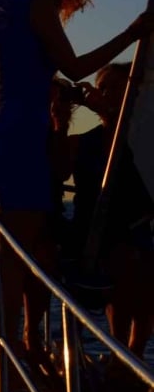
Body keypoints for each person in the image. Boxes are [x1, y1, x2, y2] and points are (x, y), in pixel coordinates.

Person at [0, 0, 149, 382]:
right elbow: (75, 67)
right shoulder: (39, 5)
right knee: (15, 256)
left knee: (5, 249)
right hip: (22, 140)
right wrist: (132, 33)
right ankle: (3, 362)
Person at [56, 63, 154, 358]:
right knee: (122, 261)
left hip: (135, 227)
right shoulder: (82, 143)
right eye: (103, 88)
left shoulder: (140, 141)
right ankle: (120, 352)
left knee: (141, 266)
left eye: (115, 87)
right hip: (94, 232)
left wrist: (111, 115)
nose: (106, 93)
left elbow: (124, 150)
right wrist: (59, 123)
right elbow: (58, 172)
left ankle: (132, 354)